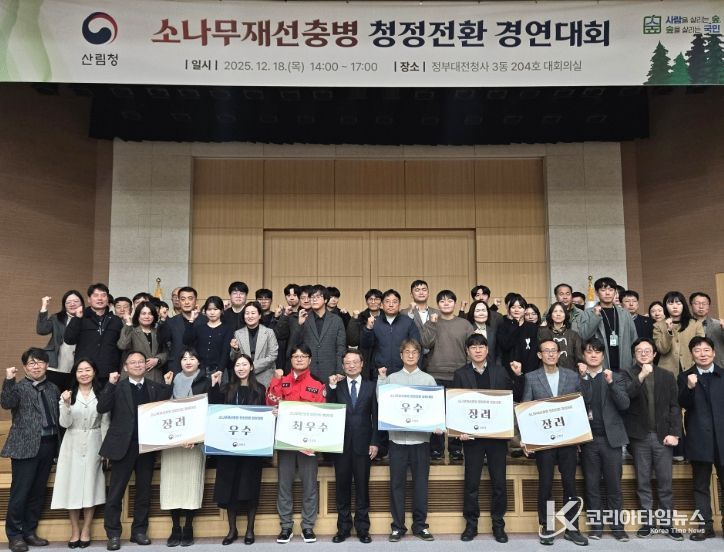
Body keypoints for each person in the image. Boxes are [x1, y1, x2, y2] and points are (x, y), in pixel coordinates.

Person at [98, 351, 173, 550]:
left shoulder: (155, 387)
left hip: (146, 447)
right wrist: (110, 384)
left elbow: (165, 409)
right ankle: (113, 534)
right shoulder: (117, 387)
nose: (138, 365)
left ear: (146, 365)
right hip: (123, 447)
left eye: (141, 362)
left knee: (143, 492)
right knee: (115, 493)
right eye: (133, 362)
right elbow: (102, 407)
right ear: (125, 367)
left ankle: (139, 531)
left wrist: (168, 385)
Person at [453, 334, 522, 543]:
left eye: (481, 346)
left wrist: (518, 376)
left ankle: (498, 525)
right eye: (473, 347)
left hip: (496, 438)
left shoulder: (500, 371)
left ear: (487, 350)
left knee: (499, 483)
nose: (478, 350)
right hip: (471, 438)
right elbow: (456, 406)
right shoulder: (460, 374)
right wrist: (458, 430)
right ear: (467, 351)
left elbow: (513, 397)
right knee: (471, 484)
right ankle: (471, 525)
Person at [521, 339, 589, 546]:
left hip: (568, 440)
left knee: (570, 484)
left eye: (554, 351)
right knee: (546, 484)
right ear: (539, 355)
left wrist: (580, 436)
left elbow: (579, 407)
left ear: (559, 354)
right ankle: (548, 526)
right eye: (546, 351)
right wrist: (525, 439)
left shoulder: (572, 376)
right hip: (543, 442)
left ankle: (572, 528)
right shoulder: (531, 377)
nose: (550, 354)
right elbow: (526, 408)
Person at [377, 339, 439, 543]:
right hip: (397, 442)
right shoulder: (392, 378)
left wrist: (437, 424)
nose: (411, 355)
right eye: (407, 352)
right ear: (401, 355)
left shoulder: (428, 380)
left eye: (414, 352)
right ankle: (398, 527)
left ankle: (420, 526)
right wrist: (381, 380)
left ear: (419, 355)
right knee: (397, 485)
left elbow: (435, 409)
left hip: (421, 442)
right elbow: (382, 403)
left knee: (421, 485)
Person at [623, 338, 683, 540]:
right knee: (643, 482)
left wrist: (674, 433)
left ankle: (667, 524)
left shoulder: (667, 375)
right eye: (639, 350)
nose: (643, 353)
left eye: (647, 350)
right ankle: (647, 523)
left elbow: (674, 406)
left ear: (655, 354)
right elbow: (626, 398)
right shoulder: (627, 374)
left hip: (663, 437)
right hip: (639, 437)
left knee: (665, 483)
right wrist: (641, 376)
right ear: (634, 354)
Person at [266, 345, 326, 544]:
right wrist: (275, 400)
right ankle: (286, 527)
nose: (299, 359)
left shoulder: (317, 383)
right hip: (286, 442)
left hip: (309, 444)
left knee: (310, 486)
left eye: (303, 356)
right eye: (295, 356)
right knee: (284, 485)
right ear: (290, 359)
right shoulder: (281, 381)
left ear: (310, 360)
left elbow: (323, 412)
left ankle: (308, 526)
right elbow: (270, 402)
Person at [1, 348, 60, 552]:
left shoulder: (53, 388)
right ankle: (14, 535)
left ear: (46, 365)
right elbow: (6, 402)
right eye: (31, 363)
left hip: (49, 445)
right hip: (25, 447)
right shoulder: (18, 388)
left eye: (40, 362)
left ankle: (29, 532)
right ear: (25, 367)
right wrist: (9, 380)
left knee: (37, 492)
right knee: (20, 493)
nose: (36, 366)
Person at [50, 358, 109, 548]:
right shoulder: (68, 394)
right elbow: (64, 423)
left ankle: (86, 529)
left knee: (91, 486)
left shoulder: (102, 393)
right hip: (72, 443)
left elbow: (105, 423)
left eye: (88, 370)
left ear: (94, 372)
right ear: (75, 374)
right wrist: (66, 404)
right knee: (73, 488)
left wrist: (106, 449)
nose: (84, 374)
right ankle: (75, 530)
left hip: (94, 441)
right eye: (80, 370)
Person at [209, 354, 267, 546]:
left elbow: (264, 416)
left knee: (251, 487)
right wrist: (214, 385)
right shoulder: (226, 388)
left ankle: (250, 529)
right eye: (237, 365)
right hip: (229, 448)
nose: (241, 368)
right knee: (230, 488)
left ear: (251, 367)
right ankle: (232, 530)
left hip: (252, 448)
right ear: (233, 369)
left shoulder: (260, 389)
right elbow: (213, 410)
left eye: (244, 364)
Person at [578, 338, 630, 542]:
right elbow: (579, 403)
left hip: (611, 440)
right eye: (589, 351)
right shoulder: (578, 377)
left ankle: (618, 527)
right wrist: (583, 378)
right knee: (591, 486)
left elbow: (624, 404)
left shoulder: (615, 377)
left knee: (614, 486)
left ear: (603, 355)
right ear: (583, 355)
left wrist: (610, 383)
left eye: (597, 352)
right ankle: (596, 527)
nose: (593, 355)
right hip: (588, 440)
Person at [326, 350, 379, 544]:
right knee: (342, 488)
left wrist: (375, 442)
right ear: (343, 366)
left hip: (364, 446)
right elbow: (329, 410)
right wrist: (331, 387)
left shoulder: (371, 386)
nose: (351, 365)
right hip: (341, 445)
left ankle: (363, 529)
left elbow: (376, 416)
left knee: (363, 488)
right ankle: (343, 528)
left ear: (362, 364)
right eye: (347, 362)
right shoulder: (337, 386)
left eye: (355, 362)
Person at [160, 348, 210, 547]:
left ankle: (188, 527)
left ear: (199, 362)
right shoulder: (171, 379)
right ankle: (175, 527)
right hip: (173, 442)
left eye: (192, 358)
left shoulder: (206, 381)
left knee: (191, 484)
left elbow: (209, 412)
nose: (188, 361)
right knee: (172, 484)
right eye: (184, 358)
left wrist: (195, 439)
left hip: (194, 443)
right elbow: (161, 409)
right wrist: (166, 385)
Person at [677, 336, 724, 541]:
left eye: (706, 350)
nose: (702, 354)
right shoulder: (684, 376)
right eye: (697, 350)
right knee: (700, 485)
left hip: (722, 438)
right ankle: (705, 527)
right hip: (699, 438)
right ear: (691, 354)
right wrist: (689, 387)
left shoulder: (722, 374)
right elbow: (682, 404)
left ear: (713, 352)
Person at [422, 290, 472, 461]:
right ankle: (436, 449)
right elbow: (425, 343)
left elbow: (470, 349)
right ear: (438, 304)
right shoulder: (431, 322)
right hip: (434, 374)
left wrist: (467, 371)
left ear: (455, 303)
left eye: (450, 300)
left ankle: (455, 448)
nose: (446, 303)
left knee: (456, 413)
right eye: (442, 301)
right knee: (436, 413)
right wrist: (432, 324)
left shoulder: (465, 324)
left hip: (459, 374)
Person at [573, 276, 638, 372]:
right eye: (603, 290)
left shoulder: (624, 313)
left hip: (624, 364)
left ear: (615, 292)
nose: (607, 293)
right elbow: (584, 336)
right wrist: (595, 316)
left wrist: (634, 361)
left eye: (611, 290)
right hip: (599, 366)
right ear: (596, 293)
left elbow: (634, 339)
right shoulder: (588, 313)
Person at [64, 283, 124, 383]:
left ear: (107, 299)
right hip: (85, 373)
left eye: (103, 295)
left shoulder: (116, 320)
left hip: (109, 373)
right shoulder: (80, 317)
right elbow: (69, 340)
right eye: (96, 295)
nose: (100, 298)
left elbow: (121, 347)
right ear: (89, 299)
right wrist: (77, 318)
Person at [291, 284, 346, 383]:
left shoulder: (337, 320)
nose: (314, 300)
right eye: (312, 297)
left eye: (318, 297)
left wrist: (340, 371)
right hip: (307, 370)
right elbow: (294, 345)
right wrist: (300, 325)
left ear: (325, 300)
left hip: (330, 371)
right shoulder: (303, 318)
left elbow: (340, 347)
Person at [360, 289, 420, 378]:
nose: (391, 305)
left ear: (399, 304)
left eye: (395, 302)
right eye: (387, 301)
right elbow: (366, 346)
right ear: (382, 304)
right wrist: (368, 329)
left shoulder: (408, 322)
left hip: (404, 373)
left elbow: (416, 347)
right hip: (380, 372)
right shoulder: (375, 323)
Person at [36, 290, 84, 390]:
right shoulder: (57, 318)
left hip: (76, 368)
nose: (72, 304)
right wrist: (44, 306)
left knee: (70, 396)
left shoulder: (87, 320)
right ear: (64, 305)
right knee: (52, 395)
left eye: (76, 301)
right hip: (54, 366)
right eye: (68, 302)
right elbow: (42, 330)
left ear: (82, 303)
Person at [653, 291, 704, 376]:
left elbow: (700, 348)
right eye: (670, 303)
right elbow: (663, 350)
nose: (675, 306)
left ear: (683, 305)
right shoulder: (658, 326)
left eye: (678, 303)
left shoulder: (695, 324)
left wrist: (694, 364)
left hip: (691, 367)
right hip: (667, 371)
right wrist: (669, 331)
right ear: (665, 306)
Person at [230, 302, 279, 387]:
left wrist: (250, 367)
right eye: (247, 313)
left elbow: (272, 356)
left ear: (259, 315)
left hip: (265, 376)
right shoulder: (238, 334)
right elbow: (234, 358)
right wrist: (236, 350)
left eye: (253, 313)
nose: (250, 316)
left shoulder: (269, 332)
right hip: (244, 378)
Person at [183, 296, 233, 377]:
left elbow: (226, 352)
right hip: (199, 370)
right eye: (209, 309)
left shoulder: (227, 329)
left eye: (215, 309)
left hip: (219, 370)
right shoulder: (199, 328)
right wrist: (191, 320)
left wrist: (220, 370)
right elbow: (186, 341)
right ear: (205, 311)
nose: (212, 313)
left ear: (221, 311)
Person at [117, 301, 167, 382]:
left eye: (150, 314)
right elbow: (123, 345)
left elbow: (166, 352)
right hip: (134, 375)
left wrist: (158, 360)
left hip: (155, 375)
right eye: (143, 313)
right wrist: (128, 324)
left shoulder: (158, 331)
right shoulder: (131, 330)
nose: (147, 316)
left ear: (154, 316)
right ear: (138, 315)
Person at [159, 286, 201, 374]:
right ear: (179, 301)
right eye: (183, 299)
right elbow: (161, 341)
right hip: (176, 367)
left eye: (190, 299)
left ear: (195, 300)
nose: (186, 302)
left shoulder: (205, 320)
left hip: (200, 368)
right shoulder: (171, 322)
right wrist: (163, 320)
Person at [538, 302, 582, 371]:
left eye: (561, 311)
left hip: (568, 373)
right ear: (551, 314)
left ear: (565, 315)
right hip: (546, 372)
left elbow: (579, 358)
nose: (558, 314)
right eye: (555, 311)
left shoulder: (573, 335)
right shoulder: (542, 332)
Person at [689, 292, 724, 362]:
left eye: (704, 304)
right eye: (697, 303)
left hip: (718, 364)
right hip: (692, 365)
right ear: (691, 305)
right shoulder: (684, 326)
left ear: (708, 306)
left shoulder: (719, 325)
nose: (701, 306)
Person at [466, 300, 499, 365]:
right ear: (472, 313)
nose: (481, 313)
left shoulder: (494, 331)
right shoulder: (467, 330)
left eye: (484, 310)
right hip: (471, 368)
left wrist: (497, 367)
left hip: (491, 368)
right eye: (477, 311)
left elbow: (498, 353)